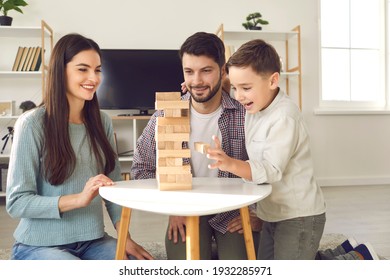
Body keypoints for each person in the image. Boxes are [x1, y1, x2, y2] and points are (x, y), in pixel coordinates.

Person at [6, 33, 153, 260]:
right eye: (83, 69)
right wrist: (79, 199)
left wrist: (125, 237)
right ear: (60, 71)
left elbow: (112, 187)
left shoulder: (101, 121)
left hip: (93, 241)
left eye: (97, 70)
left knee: (138, 266)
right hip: (38, 245)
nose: (93, 78)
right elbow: (17, 203)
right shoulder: (32, 124)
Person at [131, 32, 261, 260]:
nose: (197, 81)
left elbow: (269, 167)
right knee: (186, 266)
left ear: (223, 71)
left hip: (233, 210)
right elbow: (141, 167)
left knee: (240, 265)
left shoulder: (245, 114)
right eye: (189, 72)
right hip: (185, 209)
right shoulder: (165, 114)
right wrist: (172, 207)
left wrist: (257, 213)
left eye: (206, 71)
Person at [207, 39, 327, 260]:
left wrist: (230, 164)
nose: (239, 95)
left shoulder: (284, 117)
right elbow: (231, 86)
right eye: (235, 87)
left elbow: (271, 170)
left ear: (273, 81)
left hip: (298, 217)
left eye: (246, 88)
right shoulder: (256, 103)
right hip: (271, 214)